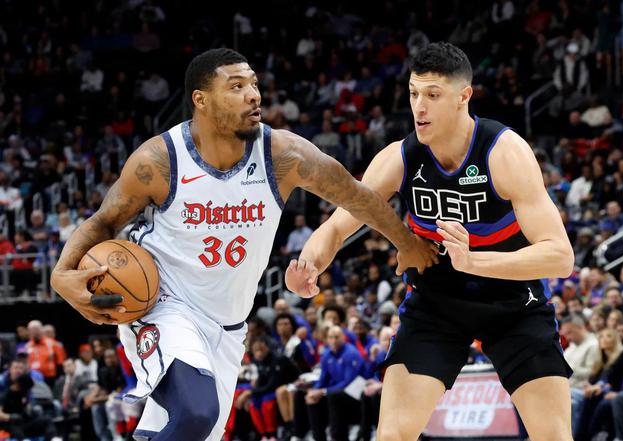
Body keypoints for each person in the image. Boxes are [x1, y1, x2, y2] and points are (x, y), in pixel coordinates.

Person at [49, 48, 436, 441]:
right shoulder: (159, 161)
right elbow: (104, 221)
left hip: (229, 324)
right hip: (161, 303)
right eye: (236, 86)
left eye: (253, 84)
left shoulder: (283, 155)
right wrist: (61, 274)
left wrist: (406, 243)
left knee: (186, 429)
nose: (253, 94)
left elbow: (356, 195)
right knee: (196, 414)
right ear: (201, 100)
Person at [287, 42, 575, 441]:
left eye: (433, 95)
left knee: (554, 436)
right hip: (436, 304)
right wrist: (310, 265)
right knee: (392, 435)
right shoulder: (399, 157)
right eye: (413, 93)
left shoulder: (504, 153)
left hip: (513, 302)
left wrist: (473, 261)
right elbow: (337, 226)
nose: (419, 107)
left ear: (463, 97)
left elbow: (560, 257)